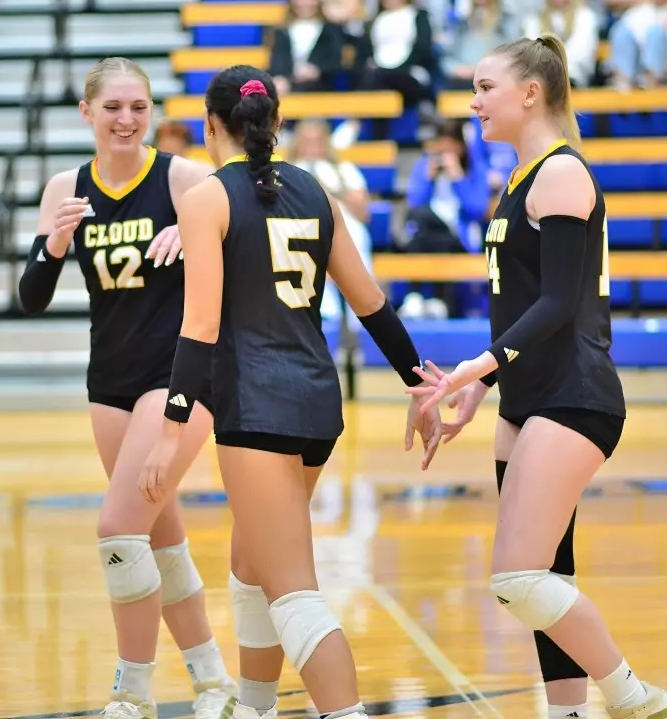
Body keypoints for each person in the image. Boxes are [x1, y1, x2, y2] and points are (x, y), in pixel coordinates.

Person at [137, 65, 442, 719]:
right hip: (315, 407)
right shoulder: (316, 192)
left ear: (212, 126)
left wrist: (169, 429)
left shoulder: (206, 199)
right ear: (274, 123)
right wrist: (420, 385)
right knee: (251, 566)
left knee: (294, 593)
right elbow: (373, 306)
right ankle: (255, 708)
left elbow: (201, 326)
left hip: (254, 410)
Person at [407, 35, 667, 719]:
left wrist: (479, 364)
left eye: (484, 88)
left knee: (516, 579)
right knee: (548, 576)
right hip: (528, 396)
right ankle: (567, 712)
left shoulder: (562, 174)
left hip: (575, 391)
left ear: (530, 93)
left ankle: (633, 698)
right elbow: (522, 303)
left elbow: (561, 303)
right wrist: (484, 387)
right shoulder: (519, 176)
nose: (472, 103)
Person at [17, 57, 239, 719]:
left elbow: (251, 203)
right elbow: (30, 298)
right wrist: (52, 245)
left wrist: (199, 227)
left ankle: (130, 692)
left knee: (119, 531)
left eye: (138, 107)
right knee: (159, 539)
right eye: (112, 107)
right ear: (86, 112)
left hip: (177, 377)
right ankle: (214, 684)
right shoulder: (65, 186)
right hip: (108, 379)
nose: (126, 119)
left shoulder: (186, 179)